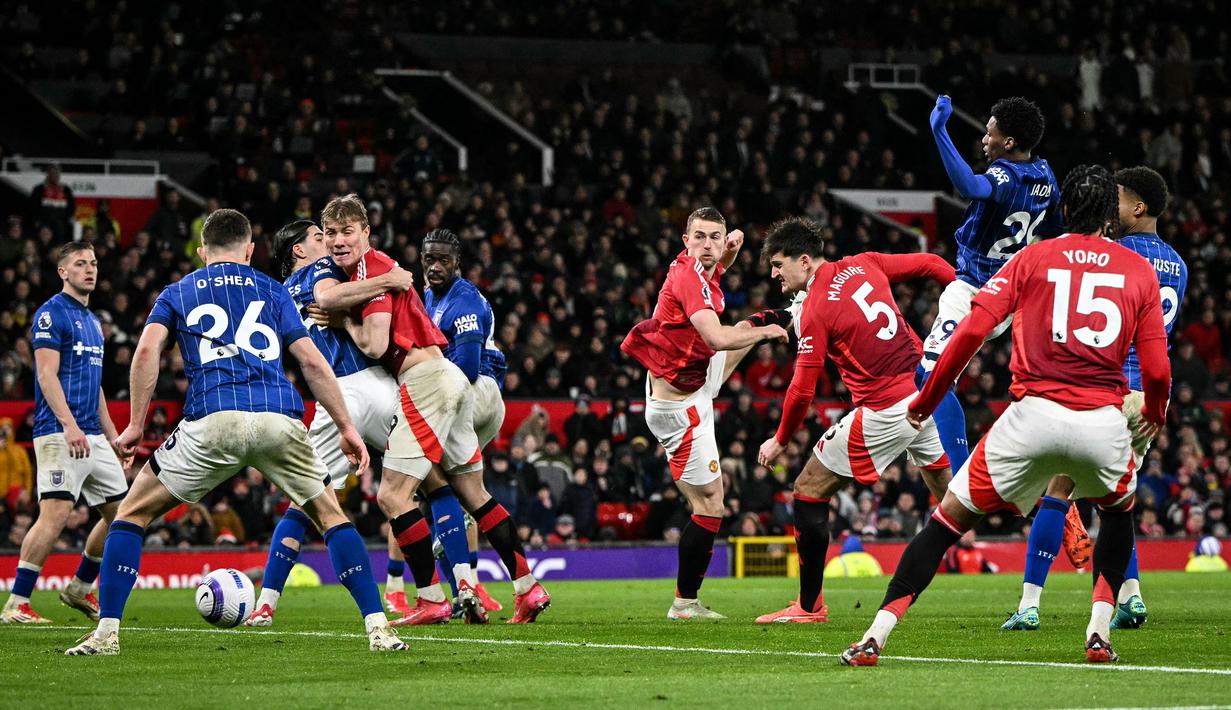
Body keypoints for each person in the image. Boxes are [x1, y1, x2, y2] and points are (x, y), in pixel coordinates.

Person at [841, 166, 1171, 666]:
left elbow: (971, 331)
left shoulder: (1032, 257)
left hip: (1031, 418)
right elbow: (1158, 369)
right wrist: (1157, 412)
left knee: (944, 523)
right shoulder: (1139, 271)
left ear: (1061, 210)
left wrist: (926, 401)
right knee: (1118, 512)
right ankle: (1099, 632)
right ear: (1110, 215)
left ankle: (875, 635)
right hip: (1102, 423)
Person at [64, 209, 407, 655]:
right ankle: (379, 628)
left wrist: (135, 425)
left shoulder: (178, 290)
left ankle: (106, 634)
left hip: (212, 419)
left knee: (130, 516)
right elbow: (311, 362)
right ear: (249, 250)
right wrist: (347, 427)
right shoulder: (274, 289)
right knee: (329, 516)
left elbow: (147, 350)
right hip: (277, 418)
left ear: (203, 251)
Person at [320, 195, 549, 625]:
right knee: (472, 494)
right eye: (330, 233)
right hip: (447, 381)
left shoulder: (375, 270)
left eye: (346, 231)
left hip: (429, 384)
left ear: (365, 233)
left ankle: (430, 597)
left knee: (392, 494)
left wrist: (343, 322)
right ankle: (527, 587)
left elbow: (372, 341)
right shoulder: (381, 274)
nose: (337, 241)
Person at [1003, 165, 1187, 631]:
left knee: (1059, 490)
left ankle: (1029, 604)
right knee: (1117, 498)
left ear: (1139, 208)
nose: (1112, 206)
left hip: (1104, 388)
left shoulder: (1117, 255)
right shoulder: (1179, 266)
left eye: (1120, 199)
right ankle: (1132, 596)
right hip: (1146, 397)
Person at [754, 217, 954, 623]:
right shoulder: (865, 263)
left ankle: (809, 607)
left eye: (779, 264)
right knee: (958, 498)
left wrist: (780, 439)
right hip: (926, 393)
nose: (774, 274)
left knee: (808, 488)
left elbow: (802, 390)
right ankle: (1051, 509)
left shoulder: (816, 309)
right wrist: (976, 303)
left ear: (805, 261)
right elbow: (932, 263)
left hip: (886, 409)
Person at [620, 206, 789, 620]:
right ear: (686, 241)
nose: (708, 245)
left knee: (746, 331)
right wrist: (768, 333)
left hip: (690, 381)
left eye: (716, 236)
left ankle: (788, 314)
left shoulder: (696, 267)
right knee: (711, 505)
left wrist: (728, 256)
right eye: (700, 237)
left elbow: (712, 274)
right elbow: (714, 337)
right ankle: (685, 603)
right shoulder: (687, 277)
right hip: (680, 409)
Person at [244, 219, 415, 626]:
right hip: (367, 384)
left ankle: (266, 603)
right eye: (320, 237)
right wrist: (389, 279)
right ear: (300, 250)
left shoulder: (282, 295)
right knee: (428, 484)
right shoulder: (321, 271)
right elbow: (331, 295)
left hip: (330, 399)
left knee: (306, 503)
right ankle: (445, 586)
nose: (331, 242)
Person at [918, 95, 1061, 477]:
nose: (984, 139)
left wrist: (939, 131)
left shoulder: (1004, 176)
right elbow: (1053, 234)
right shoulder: (1046, 176)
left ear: (1008, 142)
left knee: (930, 375)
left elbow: (969, 186)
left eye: (990, 132)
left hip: (974, 291)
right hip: (1009, 295)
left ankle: (960, 476)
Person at [2, 243, 130, 625]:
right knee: (55, 515)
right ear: (63, 271)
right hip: (60, 432)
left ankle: (78, 587)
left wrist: (114, 437)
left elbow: (96, 388)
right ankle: (16, 604)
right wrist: (70, 425)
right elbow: (45, 375)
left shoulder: (93, 322)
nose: (89, 269)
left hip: (91, 434)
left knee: (124, 516)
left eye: (93, 263)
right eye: (80, 264)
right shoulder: (50, 314)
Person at [421, 227, 510, 615]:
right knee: (448, 488)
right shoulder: (428, 297)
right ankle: (469, 587)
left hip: (477, 394)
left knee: (418, 480)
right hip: (467, 397)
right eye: (429, 259)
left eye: (444, 260)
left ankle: (454, 573)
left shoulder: (465, 301)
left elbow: (469, 368)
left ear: (458, 263)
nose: (436, 266)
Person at [29, 164, 75, 243]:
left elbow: (71, 206)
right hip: (44, 223)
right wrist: (37, 220)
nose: (54, 175)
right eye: (51, 173)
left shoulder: (65, 189)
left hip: (61, 224)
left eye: (56, 173)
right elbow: (32, 206)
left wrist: (66, 220)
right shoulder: (39, 189)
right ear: (47, 174)